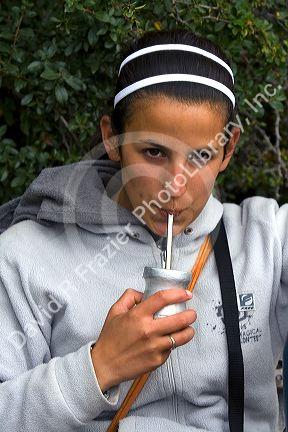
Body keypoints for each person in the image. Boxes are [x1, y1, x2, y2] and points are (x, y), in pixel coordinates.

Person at [0, 28, 286, 432]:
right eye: (153, 152)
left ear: (229, 148)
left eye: (201, 155)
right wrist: (98, 367)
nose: (176, 185)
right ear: (112, 138)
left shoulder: (267, 240)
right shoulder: (23, 257)